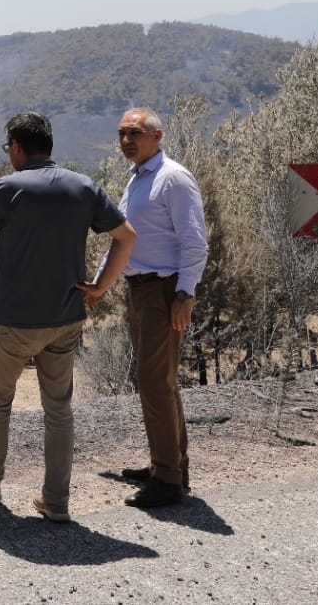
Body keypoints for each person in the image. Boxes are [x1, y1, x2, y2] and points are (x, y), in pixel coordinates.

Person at [0, 112, 137, 522]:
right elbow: (126, 237)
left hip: (15, 319)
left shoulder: (9, 187)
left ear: (17, 146)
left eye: (9, 149)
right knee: (59, 410)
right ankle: (56, 502)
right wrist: (100, 287)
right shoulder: (83, 186)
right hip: (66, 316)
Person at [84, 107, 209, 510]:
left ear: (158, 135)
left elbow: (195, 242)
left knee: (155, 383)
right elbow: (125, 241)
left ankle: (168, 480)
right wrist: (100, 286)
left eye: (135, 133)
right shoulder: (137, 180)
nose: (126, 141)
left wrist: (185, 293)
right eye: (121, 134)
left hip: (164, 291)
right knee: (159, 382)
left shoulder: (173, 178)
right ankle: (168, 467)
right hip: (141, 291)